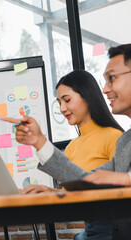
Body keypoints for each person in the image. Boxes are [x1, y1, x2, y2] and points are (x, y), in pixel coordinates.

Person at [1, 44, 131, 240]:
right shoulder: (125, 143)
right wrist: (38, 141)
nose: (105, 89)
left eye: (112, 78)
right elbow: (86, 182)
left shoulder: (113, 137)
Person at [20, 69, 123, 240]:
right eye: (59, 102)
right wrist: (48, 191)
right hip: (89, 232)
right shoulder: (72, 146)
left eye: (67, 100)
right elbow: (75, 197)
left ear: (88, 97)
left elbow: (117, 196)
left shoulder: (114, 137)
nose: (62, 108)